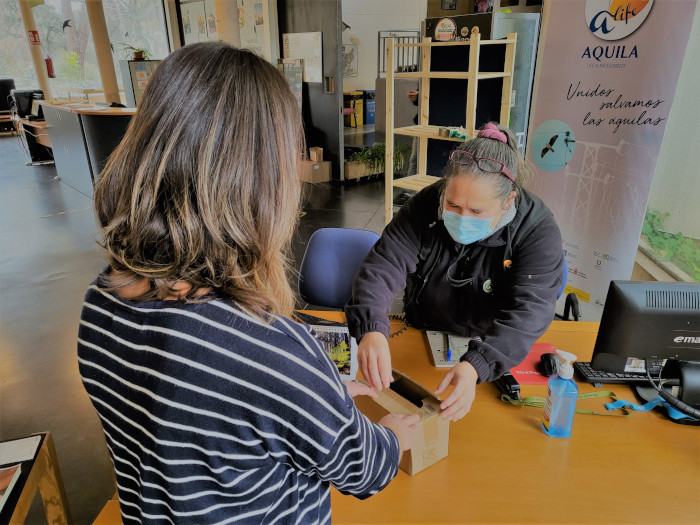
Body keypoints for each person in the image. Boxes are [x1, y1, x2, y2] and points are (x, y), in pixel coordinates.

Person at [78, 42, 419, 524]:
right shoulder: (271, 352)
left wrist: (310, 397)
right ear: (262, 183)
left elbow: (200, 423)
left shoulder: (101, 299)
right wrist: (393, 435)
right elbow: (362, 468)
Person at [345, 123, 564, 422]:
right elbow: (385, 263)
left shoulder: (537, 229)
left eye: (477, 212)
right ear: (445, 187)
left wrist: (479, 364)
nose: (461, 218)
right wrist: (371, 326)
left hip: (492, 345)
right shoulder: (426, 204)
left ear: (508, 201)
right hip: (422, 330)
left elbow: (531, 310)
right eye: (452, 204)